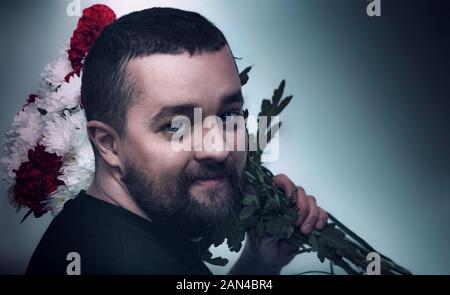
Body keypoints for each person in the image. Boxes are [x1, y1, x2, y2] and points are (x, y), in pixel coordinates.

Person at [26, 7, 328, 275]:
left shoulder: (107, 230)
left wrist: (259, 265)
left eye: (228, 116)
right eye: (176, 126)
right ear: (108, 144)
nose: (219, 149)